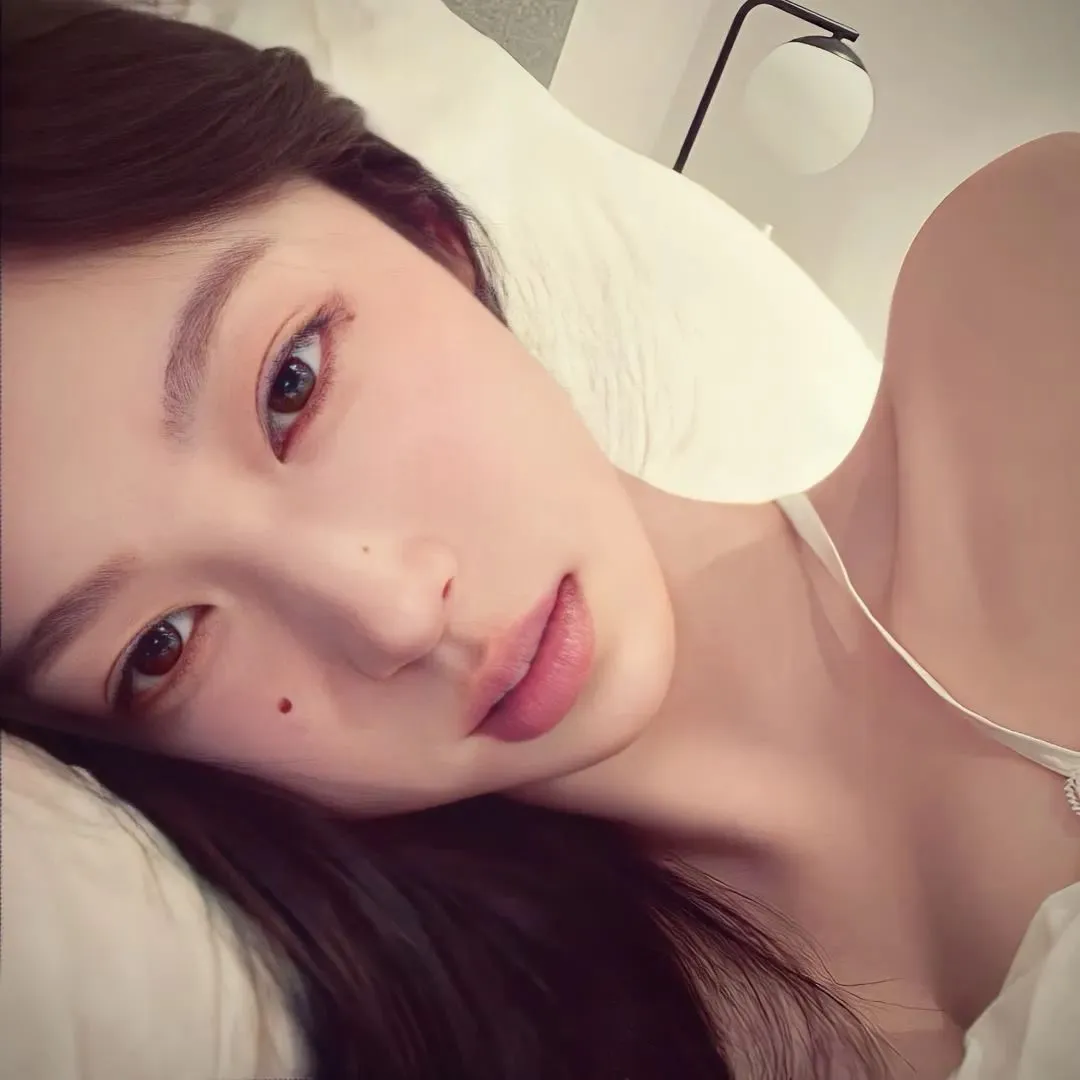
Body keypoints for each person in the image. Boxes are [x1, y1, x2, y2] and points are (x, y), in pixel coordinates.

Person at [1, 1, 1076, 1077]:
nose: (393, 615)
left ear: (424, 230)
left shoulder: (1031, 308)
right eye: (163, 645)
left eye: (294, 382)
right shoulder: (495, 1036)